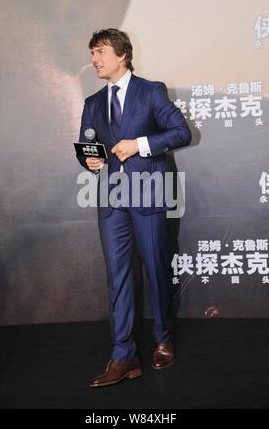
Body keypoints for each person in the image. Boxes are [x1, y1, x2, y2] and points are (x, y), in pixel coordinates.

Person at [78, 28, 191, 388]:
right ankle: (123, 354)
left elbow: (180, 133)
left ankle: (162, 338)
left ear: (122, 55)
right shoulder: (93, 102)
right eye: (93, 53)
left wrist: (139, 144)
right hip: (111, 201)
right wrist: (89, 162)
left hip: (149, 195)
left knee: (156, 269)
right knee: (119, 276)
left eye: (101, 52)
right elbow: (86, 146)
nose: (95, 59)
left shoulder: (150, 90)